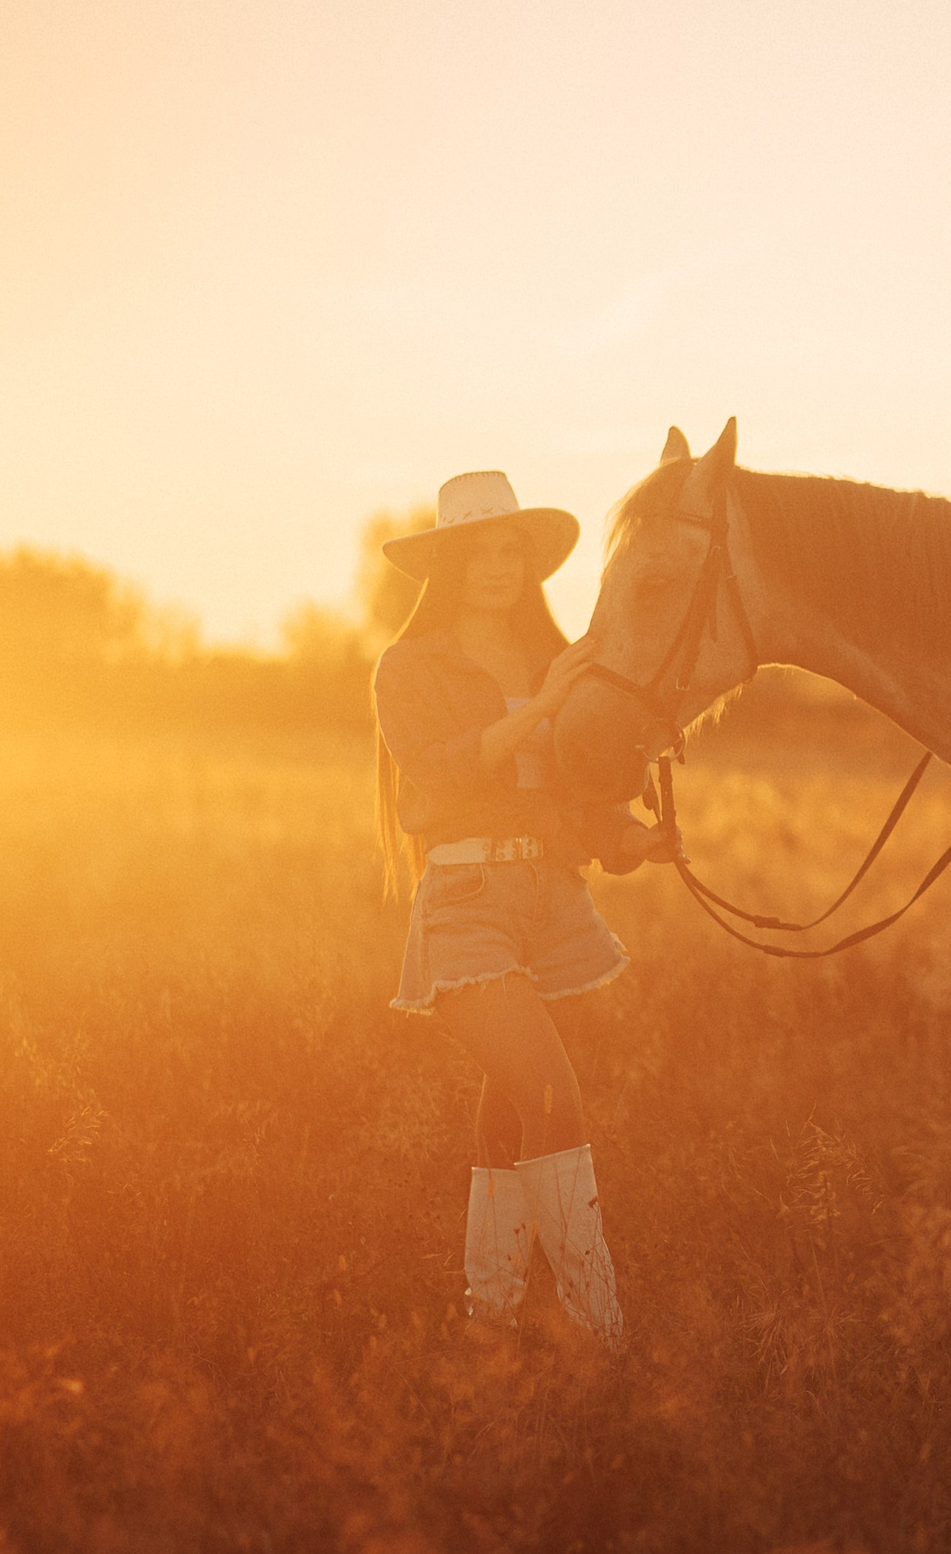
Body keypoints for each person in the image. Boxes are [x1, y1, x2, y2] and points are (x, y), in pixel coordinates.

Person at [371, 470, 671, 1350]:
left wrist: (629, 839)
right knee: (551, 1098)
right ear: (451, 563)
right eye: (481, 550)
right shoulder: (409, 667)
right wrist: (539, 707)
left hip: (551, 898)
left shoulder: (557, 657)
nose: (499, 566)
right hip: (466, 900)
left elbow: (577, 792)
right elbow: (439, 772)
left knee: (510, 1119)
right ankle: (602, 1329)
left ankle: (490, 1322)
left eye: (512, 550)